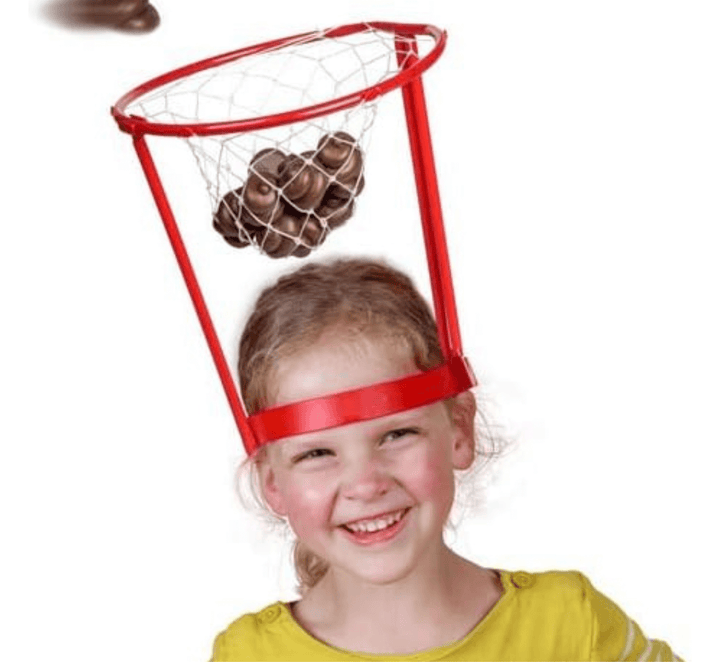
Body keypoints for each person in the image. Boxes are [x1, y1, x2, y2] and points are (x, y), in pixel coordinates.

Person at [211, 257, 683, 661]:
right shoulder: (249, 654)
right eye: (317, 453)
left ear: (459, 428)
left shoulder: (570, 627)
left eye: (396, 434)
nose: (365, 483)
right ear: (272, 483)